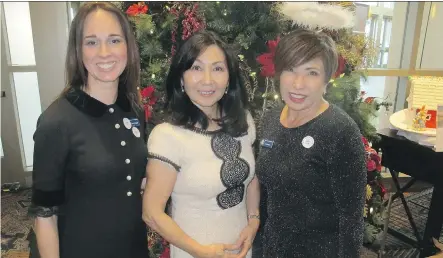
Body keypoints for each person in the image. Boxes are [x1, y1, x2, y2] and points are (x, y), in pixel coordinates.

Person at [28, 2, 149, 258]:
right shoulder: (56, 122)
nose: (105, 52)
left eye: (115, 40)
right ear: (78, 51)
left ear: (128, 46)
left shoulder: (134, 110)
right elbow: (44, 216)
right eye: (91, 42)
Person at [142, 30, 260, 258]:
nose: (208, 80)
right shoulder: (167, 136)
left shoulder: (243, 121)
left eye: (217, 68)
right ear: (181, 78)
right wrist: (203, 252)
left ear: (228, 78)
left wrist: (253, 221)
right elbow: (151, 213)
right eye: (196, 68)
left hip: (242, 251)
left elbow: (251, 178)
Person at [256, 29, 366, 257]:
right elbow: (266, 196)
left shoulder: (340, 131)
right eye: (290, 70)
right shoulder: (270, 119)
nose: (298, 83)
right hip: (274, 248)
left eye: (311, 73)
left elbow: (351, 219)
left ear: (326, 80)